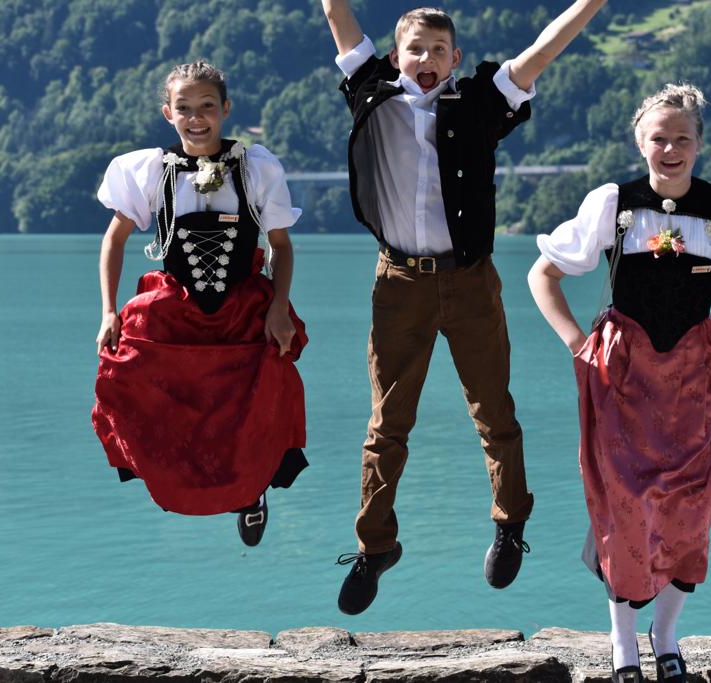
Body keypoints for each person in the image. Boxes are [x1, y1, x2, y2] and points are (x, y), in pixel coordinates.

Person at [319, 0, 608, 615]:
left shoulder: (479, 102)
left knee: (494, 411)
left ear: (455, 58)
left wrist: (590, 4)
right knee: (386, 424)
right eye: (415, 50)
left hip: (471, 281)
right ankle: (375, 548)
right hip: (399, 283)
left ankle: (510, 523)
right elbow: (337, 15)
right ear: (395, 56)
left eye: (438, 50)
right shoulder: (370, 90)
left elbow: (542, 52)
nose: (425, 59)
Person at [528, 83, 711, 683]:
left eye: (683, 138)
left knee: (692, 511)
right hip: (623, 378)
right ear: (640, 143)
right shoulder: (613, 204)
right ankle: (622, 644)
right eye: (660, 138)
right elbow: (542, 275)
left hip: (696, 381)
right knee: (625, 506)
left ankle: (666, 636)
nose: (671, 149)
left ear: (699, 144)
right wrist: (579, 345)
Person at [92, 60, 309, 548]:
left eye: (206, 106)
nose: (196, 117)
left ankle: (253, 491)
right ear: (168, 113)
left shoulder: (256, 168)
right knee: (145, 388)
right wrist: (108, 311)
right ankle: (171, 475)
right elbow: (114, 240)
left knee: (257, 399)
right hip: (177, 307)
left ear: (225, 109)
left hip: (243, 305)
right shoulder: (151, 171)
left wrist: (279, 307)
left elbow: (281, 245)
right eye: (184, 108)